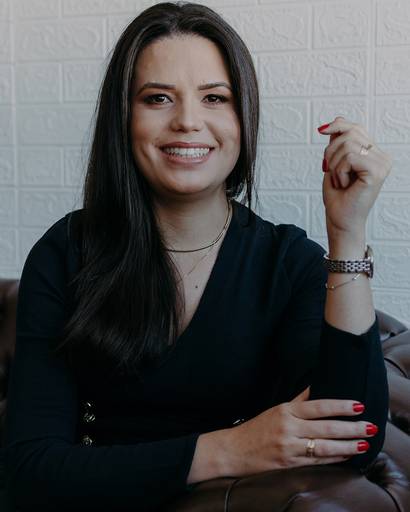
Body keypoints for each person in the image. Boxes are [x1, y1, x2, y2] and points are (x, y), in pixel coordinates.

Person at [4, 2, 392, 511]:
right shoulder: (66, 252)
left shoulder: (289, 261)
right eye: (158, 98)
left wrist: (347, 232)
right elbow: (30, 469)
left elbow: (352, 439)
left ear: (242, 117)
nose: (188, 121)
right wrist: (231, 448)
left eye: (214, 98)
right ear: (124, 118)